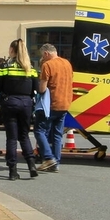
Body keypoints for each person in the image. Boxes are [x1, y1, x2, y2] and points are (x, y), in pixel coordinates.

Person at [0, 39, 39, 180]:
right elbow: (36, 89)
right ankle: (31, 165)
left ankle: (13, 171)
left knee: (12, 138)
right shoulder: (30, 68)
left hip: (10, 103)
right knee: (24, 136)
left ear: (12, 50)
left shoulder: (5, 67)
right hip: (26, 104)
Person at [34, 43, 74, 172]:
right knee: (57, 134)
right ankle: (56, 163)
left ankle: (48, 157)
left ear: (46, 53)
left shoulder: (47, 65)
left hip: (51, 104)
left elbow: (42, 88)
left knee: (39, 130)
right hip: (65, 103)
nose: (43, 58)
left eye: (43, 56)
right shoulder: (67, 64)